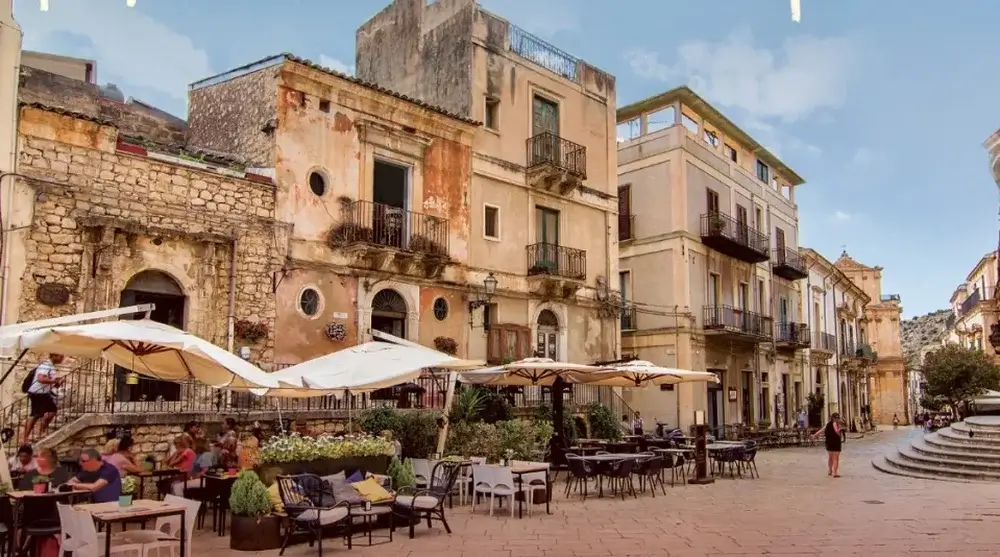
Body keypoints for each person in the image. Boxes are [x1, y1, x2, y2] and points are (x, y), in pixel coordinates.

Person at [21, 354, 66, 444]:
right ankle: (24, 438)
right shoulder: (45, 365)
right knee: (35, 415)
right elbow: (41, 379)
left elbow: (48, 382)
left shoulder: (50, 366)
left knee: (52, 411)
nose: (62, 358)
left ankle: (40, 433)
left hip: (44, 393)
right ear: (53, 356)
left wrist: (57, 382)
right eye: (60, 356)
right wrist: (55, 380)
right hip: (37, 393)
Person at [811, 413, 843, 478]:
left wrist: (815, 435)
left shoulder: (828, 424)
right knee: (836, 458)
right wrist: (840, 428)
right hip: (835, 443)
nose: (837, 419)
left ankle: (830, 470)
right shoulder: (836, 424)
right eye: (837, 418)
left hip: (829, 443)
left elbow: (821, 430)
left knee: (830, 457)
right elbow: (837, 432)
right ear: (835, 418)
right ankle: (835, 473)